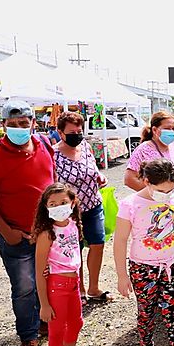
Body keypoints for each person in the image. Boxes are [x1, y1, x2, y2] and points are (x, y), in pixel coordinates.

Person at [0, 100, 55, 346]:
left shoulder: (43, 144)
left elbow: (50, 183)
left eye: (24, 123)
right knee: (24, 287)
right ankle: (28, 336)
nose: (20, 128)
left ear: (33, 122)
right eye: (13, 124)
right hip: (16, 235)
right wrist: (7, 231)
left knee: (48, 279)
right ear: (3, 125)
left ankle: (44, 322)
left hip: (46, 231)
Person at [114, 159, 174, 346]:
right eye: (161, 190)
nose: (167, 194)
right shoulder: (130, 204)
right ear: (146, 181)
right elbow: (120, 240)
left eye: (170, 189)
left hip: (171, 265)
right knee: (146, 312)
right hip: (143, 269)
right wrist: (122, 275)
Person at [33, 183, 96, 346]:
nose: (59, 206)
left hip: (73, 284)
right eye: (52, 203)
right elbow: (38, 271)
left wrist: (81, 285)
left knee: (76, 322)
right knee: (57, 330)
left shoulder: (74, 225)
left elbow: (75, 257)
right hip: (57, 286)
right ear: (45, 207)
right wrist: (44, 304)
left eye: (63, 202)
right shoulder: (46, 233)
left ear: (72, 202)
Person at [54, 112, 111, 305]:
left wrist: (99, 177)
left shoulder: (85, 146)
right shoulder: (53, 154)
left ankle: (94, 287)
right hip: (69, 212)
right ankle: (79, 290)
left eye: (79, 131)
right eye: (72, 132)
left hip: (93, 204)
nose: (77, 135)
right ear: (60, 132)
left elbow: (93, 168)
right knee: (74, 249)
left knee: (98, 244)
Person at [125, 111, 174, 238]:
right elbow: (129, 179)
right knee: (165, 241)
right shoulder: (144, 149)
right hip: (160, 208)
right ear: (155, 129)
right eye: (167, 128)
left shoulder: (172, 147)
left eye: (173, 128)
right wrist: (156, 195)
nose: (171, 131)